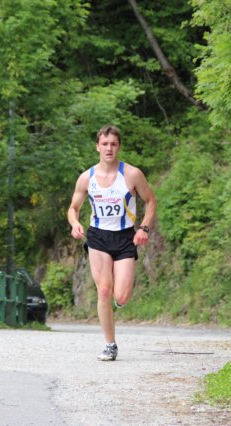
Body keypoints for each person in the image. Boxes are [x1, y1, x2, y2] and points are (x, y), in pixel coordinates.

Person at [68, 125, 157, 361]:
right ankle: (110, 344)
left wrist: (144, 227)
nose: (109, 148)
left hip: (125, 236)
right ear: (97, 146)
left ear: (119, 147)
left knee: (121, 297)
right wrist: (74, 223)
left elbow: (150, 201)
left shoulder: (132, 174)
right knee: (104, 290)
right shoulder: (86, 178)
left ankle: (118, 300)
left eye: (113, 144)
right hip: (98, 236)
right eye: (105, 144)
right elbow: (73, 207)